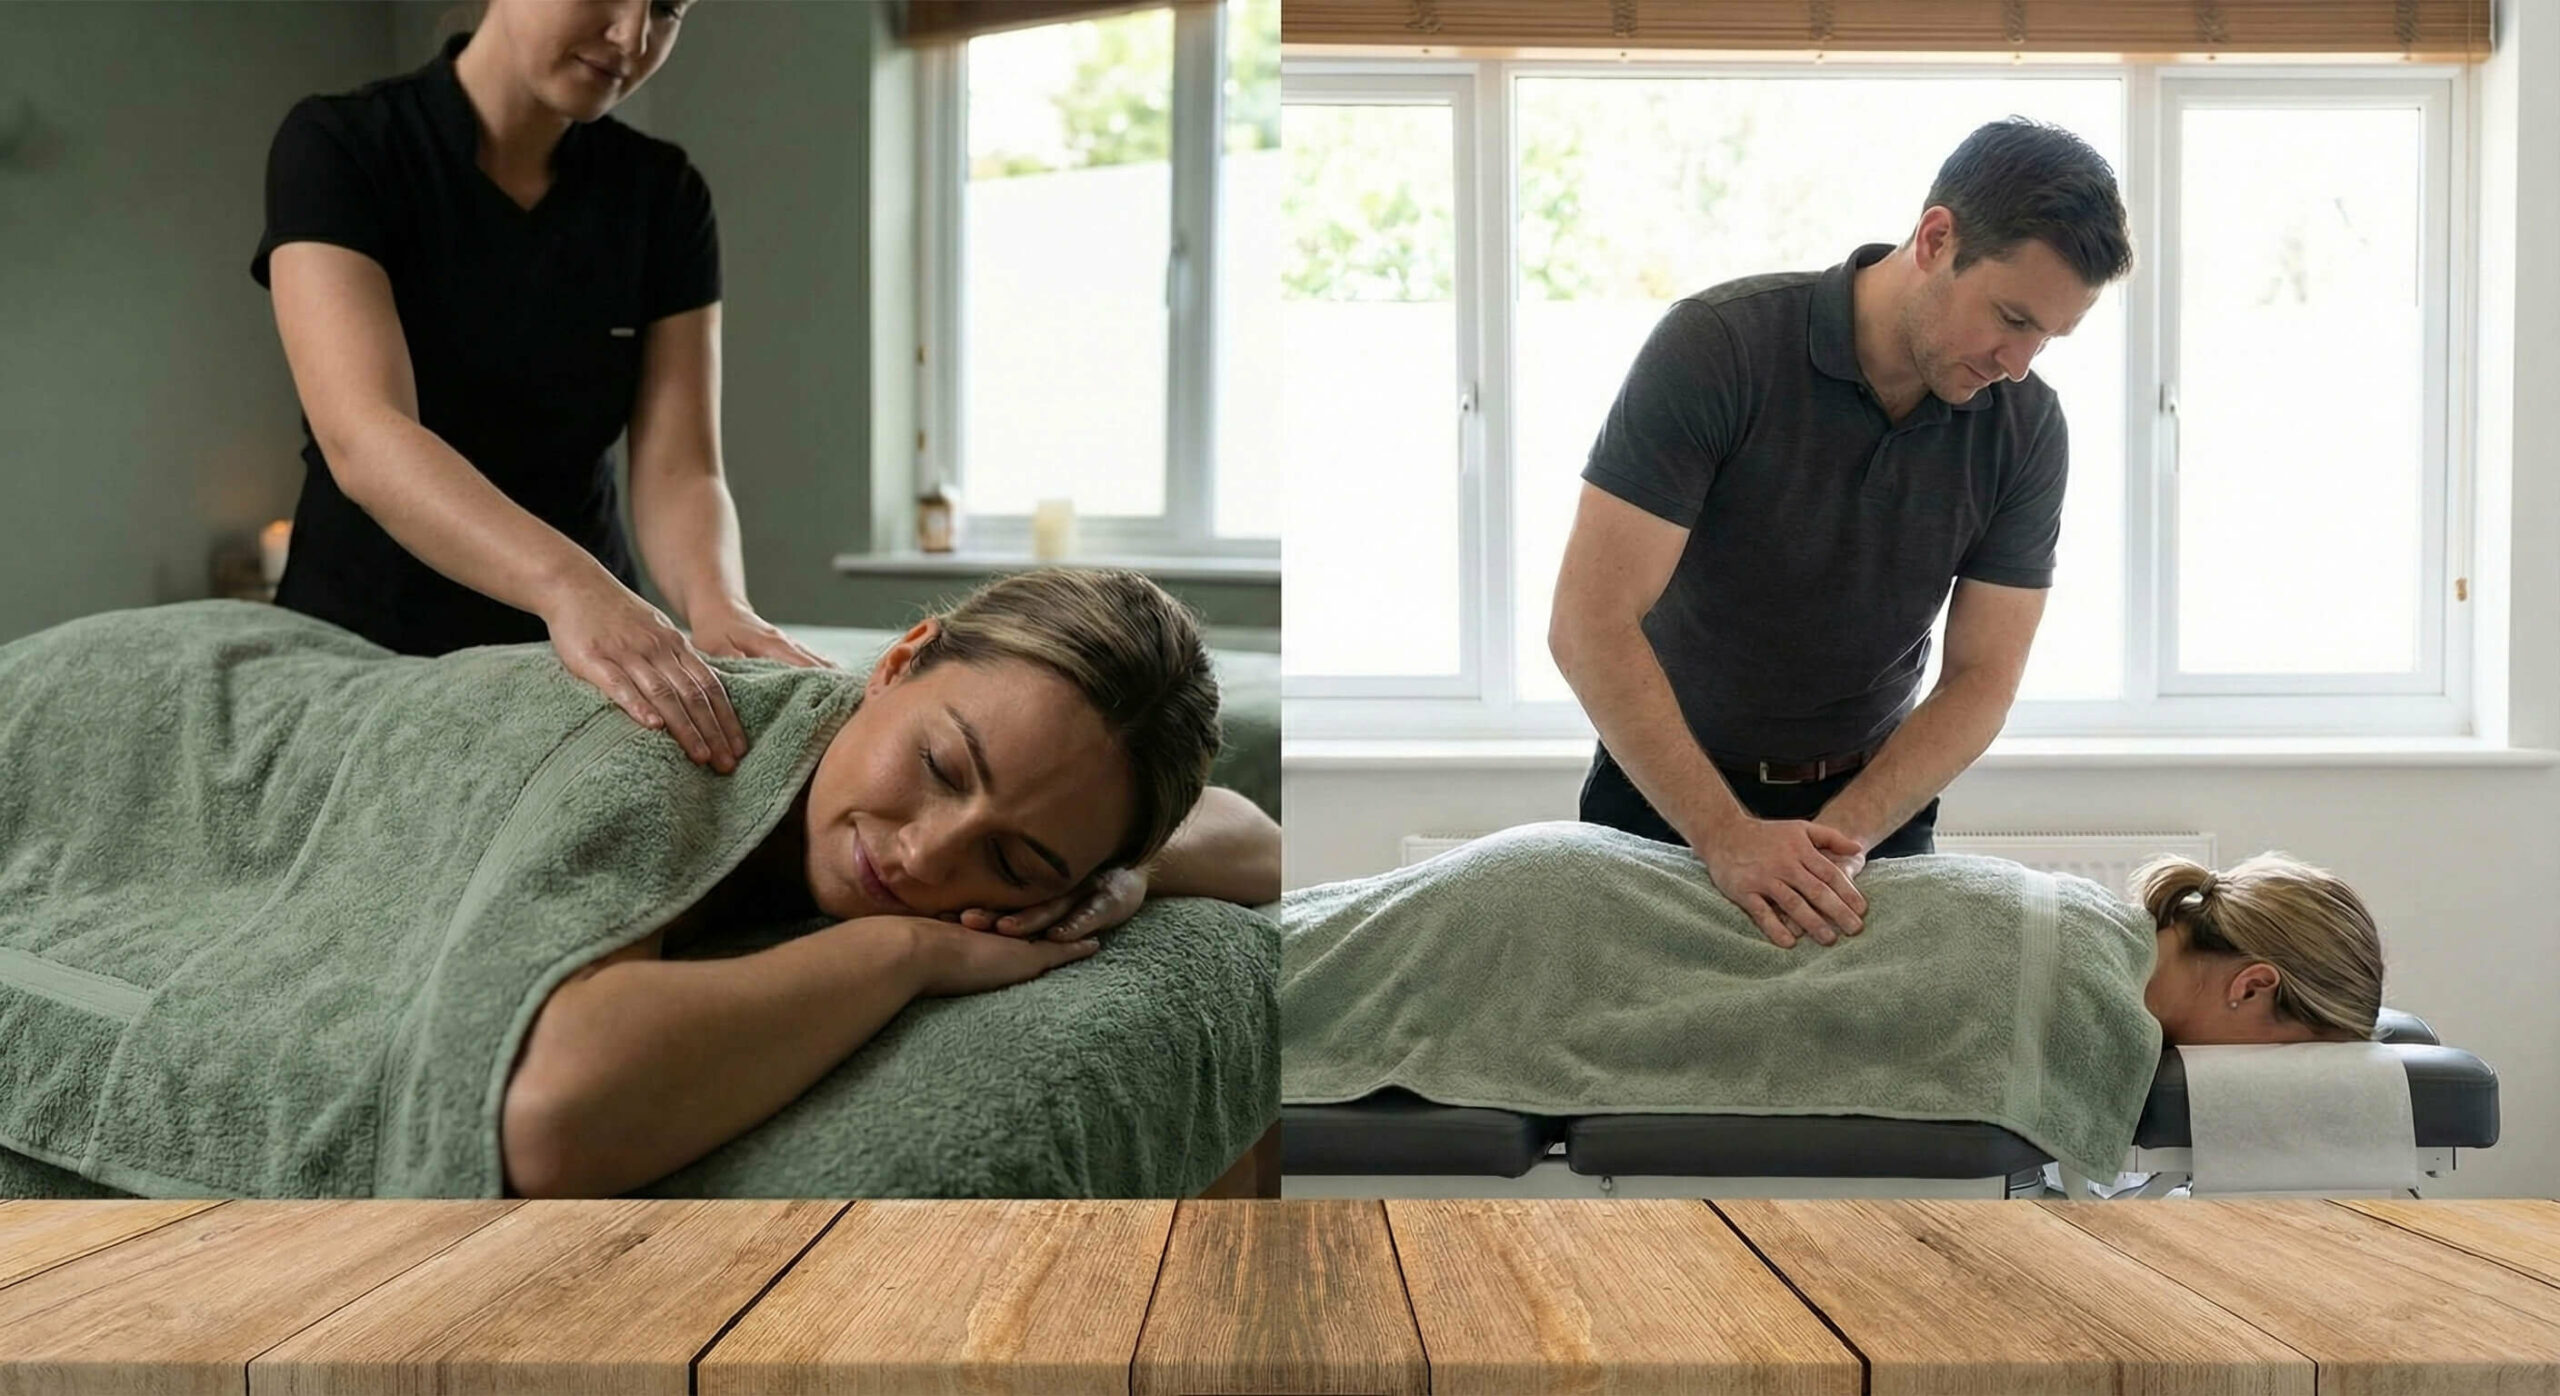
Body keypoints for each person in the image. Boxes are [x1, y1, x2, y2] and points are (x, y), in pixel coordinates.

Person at [498, 568, 1285, 1197]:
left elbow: (1260, 840)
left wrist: (1128, 875)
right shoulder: (662, 745)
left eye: (1014, 863)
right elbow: (553, 1123)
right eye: (940, 767)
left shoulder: (1084, 859)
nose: (926, 856)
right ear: (898, 662)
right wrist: (906, 950)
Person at [1547, 117, 2134, 952]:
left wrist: (1841, 842)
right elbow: (1589, 622)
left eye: (2048, 336)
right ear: (1936, 238)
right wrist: (1727, 836)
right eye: (2011, 317)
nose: (2019, 362)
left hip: (1870, 817)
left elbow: (1981, 676)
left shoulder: (2026, 427)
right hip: (1663, 794)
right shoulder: (1718, 349)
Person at [254, 0, 824, 781]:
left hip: (587, 658)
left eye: (667, 9)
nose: (633, 37)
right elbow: (367, 433)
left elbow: (680, 468)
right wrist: (568, 587)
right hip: (369, 644)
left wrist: (717, 605)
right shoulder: (341, 145)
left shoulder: (664, 195)